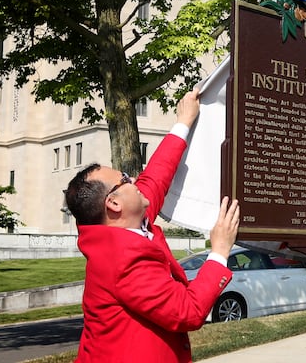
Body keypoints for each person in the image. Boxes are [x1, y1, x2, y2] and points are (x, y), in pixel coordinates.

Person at [64, 88, 240, 363]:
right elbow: (188, 311)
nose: (134, 179)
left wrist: (184, 120)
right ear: (114, 204)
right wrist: (219, 252)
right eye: (125, 179)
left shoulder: (126, 224)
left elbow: (155, 177)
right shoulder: (122, 262)